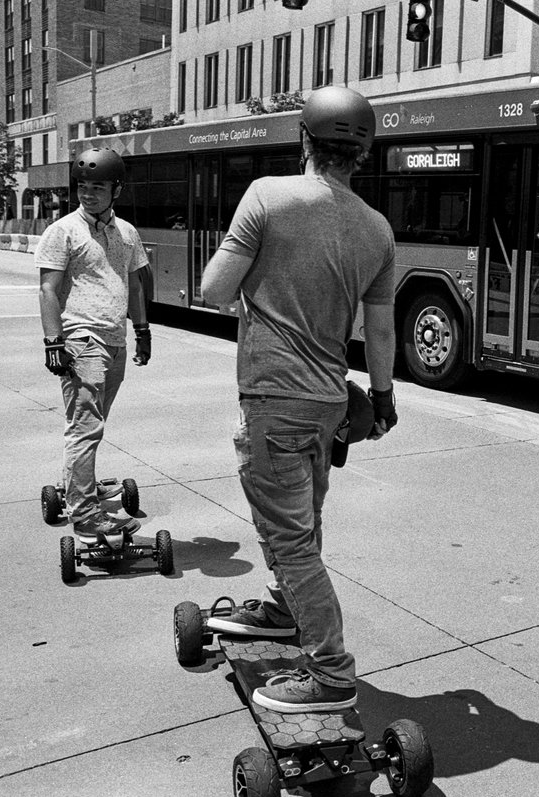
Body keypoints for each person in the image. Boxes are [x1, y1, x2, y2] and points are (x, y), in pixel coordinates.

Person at [200, 86, 398, 714]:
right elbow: (383, 329)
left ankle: (331, 670)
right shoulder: (377, 228)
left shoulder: (267, 197)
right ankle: (286, 609)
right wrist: (385, 397)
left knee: (289, 540)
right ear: (361, 153)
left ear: (304, 139)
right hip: (330, 403)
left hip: (275, 395)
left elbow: (211, 290)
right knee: (304, 522)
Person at [37, 147, 152, 544]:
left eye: (98, 187)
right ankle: (85, 515)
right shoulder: (63, 231)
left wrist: (143, 330)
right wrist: (54, 341)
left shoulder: (127, 233)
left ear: (116, 189)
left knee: (92, 423)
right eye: (83, 187)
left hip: (115, 339)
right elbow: (48, 288)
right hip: (81, 339)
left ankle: (78, 486)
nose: (88, 194)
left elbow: (134, 283)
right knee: (86, 427)